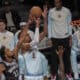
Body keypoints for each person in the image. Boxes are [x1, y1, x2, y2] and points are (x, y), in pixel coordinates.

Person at [48, 0, 72, 79]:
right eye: (55, 2)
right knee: (54, 57)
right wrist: (50, 38)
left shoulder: (67, 11)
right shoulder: (51, 11)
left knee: (66, 56)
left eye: (58, 2)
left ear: (61, 2)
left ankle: (68, 73)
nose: (56, 4)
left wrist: (70, 37)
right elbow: (49, 25)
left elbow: (70, 24)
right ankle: (54, 74)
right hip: (54, 37)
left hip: (65, 37)